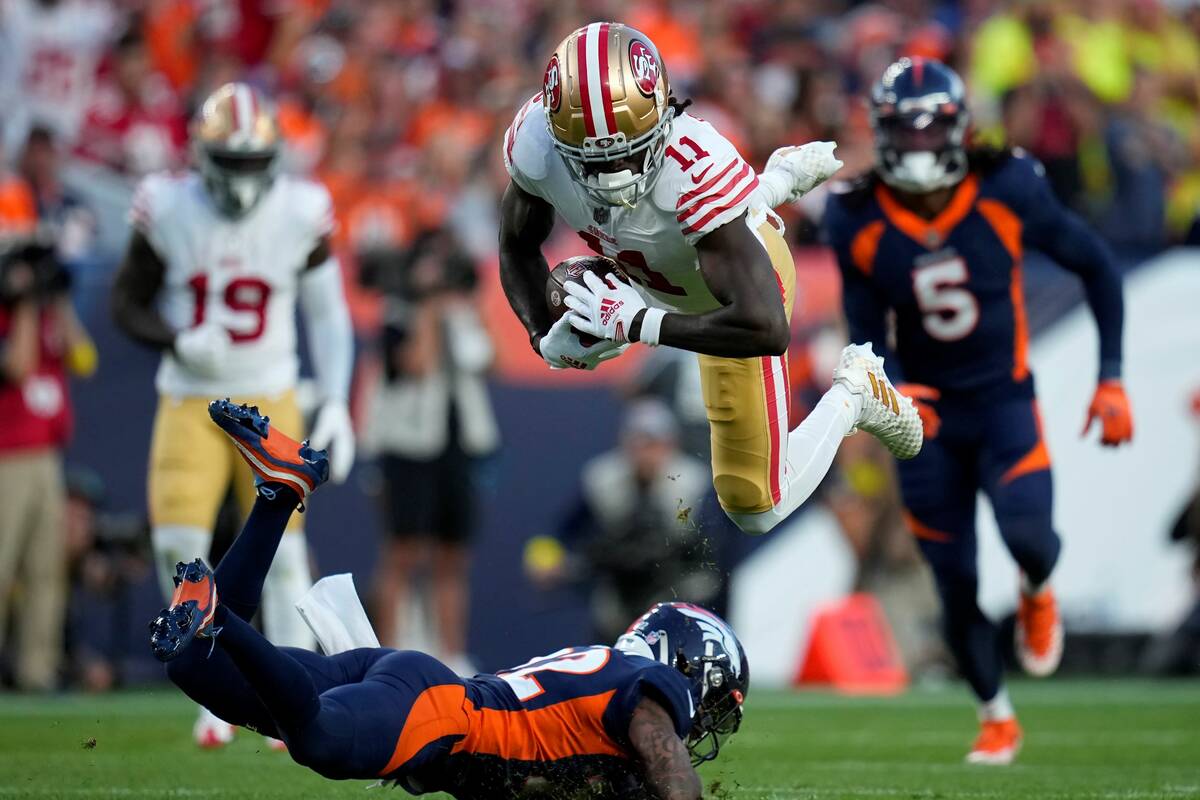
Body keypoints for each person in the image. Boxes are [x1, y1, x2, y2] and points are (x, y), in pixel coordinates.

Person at [152, 400, 748, 800]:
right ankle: (218, 615)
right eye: (714, 694)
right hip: (439, 713)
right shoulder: (647, 690)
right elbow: (664, 755)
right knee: (321, 741)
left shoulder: (608, 686)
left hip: (414, 688)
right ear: (686, 663)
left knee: (194, 666)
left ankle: (279, 494)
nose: (704, 718)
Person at [823, 57, 1134, 765]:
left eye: (933, 130)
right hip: (927, 424)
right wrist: (900, 389)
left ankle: (1037, 589)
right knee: (952, 579)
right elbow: (865, 328)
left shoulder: (1008, 184)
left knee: (1031, 538)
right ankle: (996, 715)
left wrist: (1110, 377)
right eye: (907, 130)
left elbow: (1096, 264)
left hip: (1002, 402)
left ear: (960, 130)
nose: (923, 145)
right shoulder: (856, 214)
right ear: (884, 131)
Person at [498, 22, 923, 536]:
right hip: (643, 270)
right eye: (597, 161)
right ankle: (772, 181)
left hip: (721, 295)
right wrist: (543, 336)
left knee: (756, 507)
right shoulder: (538, 143)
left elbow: (765, 326)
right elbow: (517, 243)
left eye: (629, 152)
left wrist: (640, 325)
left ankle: (857, 391)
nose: (616, 178)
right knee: (578, 302)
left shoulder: (694, 168)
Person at [109, 82, 355, 747]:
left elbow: (329, 316)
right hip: (189, 394)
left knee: (284, 555)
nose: (245, 180)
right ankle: (213, 692)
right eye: (233, 162)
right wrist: (175, 338)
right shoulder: (168, 206)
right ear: (203, 154)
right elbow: (125, 301)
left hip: (269, 391)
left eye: (254, 163)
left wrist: (335, 400)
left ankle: (290, 696)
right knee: (177, 548)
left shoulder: (301, 210)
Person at [361, 227, 499, 668]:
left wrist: (467, 310)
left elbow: (492, 360)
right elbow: (416, 364)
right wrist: (426, 307)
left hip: (458, 443)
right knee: (402, 553)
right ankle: (387, 656)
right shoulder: (397, 312)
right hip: (409, 447)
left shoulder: (463, 312)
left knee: (451, 556)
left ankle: (453, 656)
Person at [526, 399, 717, 642]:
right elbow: (560, 531)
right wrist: (545, 560)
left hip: (677, 586)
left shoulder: (693, 483)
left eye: (654, 444)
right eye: (639, 443)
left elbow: (710, 551)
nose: (646, 453)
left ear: (671, 445)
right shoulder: (603, 479)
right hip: (618, 589)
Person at [0, 236, 96, 691]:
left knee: (46, 569)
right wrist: (19, 303)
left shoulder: (49, 318)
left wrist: (55, 300)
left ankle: (36, 670)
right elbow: (18, 367)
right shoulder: (11, 317)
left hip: (47, 457)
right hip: (8, 457)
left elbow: (84, 358)